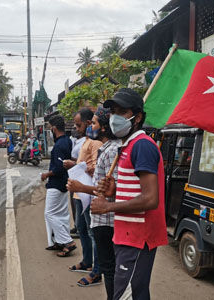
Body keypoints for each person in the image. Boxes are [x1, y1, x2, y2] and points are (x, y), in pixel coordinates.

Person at [92, 88, 168, 300]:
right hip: (126, 235)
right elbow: (135, 191)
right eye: (113, 111)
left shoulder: (142, 146)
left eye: (122, 112)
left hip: (138, 237)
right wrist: (114, 191)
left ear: (138, 117)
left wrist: (107, 206)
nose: (115, 117)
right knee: (135, 293)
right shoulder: (128, 145)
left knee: (127, 295)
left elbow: (151, 199)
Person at [67, 106, 120, 295]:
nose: (91, 127)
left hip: (106, 217)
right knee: (109, 268)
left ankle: (97, 273)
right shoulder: (104, 147)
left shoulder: (111, 149)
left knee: (110, 270)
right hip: (99, 213)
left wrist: (81, 187)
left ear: (104, 127)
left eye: (94, 123)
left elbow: (109, 189)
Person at [63, 108, 103, 285]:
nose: (76, 128)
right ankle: (87, 261)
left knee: (92, 231)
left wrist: (76, 165)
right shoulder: (85, 141)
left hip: (87, 191)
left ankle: (97, 270)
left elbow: (96, 167)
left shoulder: (96, 144)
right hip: (80, 193)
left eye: (79, 125)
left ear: (89, 124)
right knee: (81, 227)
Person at [41, 115, 77, 256]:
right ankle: (59, 241)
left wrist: (46, 175)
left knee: (49, 214)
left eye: (50, 128)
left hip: (56, 184)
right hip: (63, 183)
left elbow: (59, 168)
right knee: (61, 214)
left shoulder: (60, 145)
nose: (50, 130)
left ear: (54, 128)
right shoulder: (67, 141)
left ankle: (67, 242)